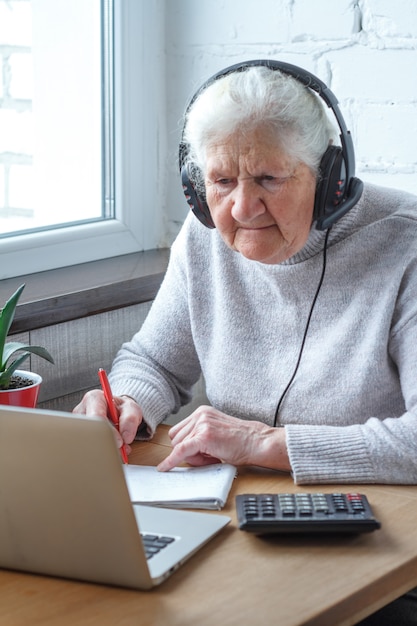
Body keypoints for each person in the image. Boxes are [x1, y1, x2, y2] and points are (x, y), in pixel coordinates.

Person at [75, 59, 417, 624]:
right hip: (238, 528)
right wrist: (129, 403)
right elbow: (154, 360)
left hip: (374, 548)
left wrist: (264, 443)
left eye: (268, 178)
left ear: (331, 179)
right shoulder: (207, 237)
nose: (241, 207)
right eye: (221, 181)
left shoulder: (405, 246)